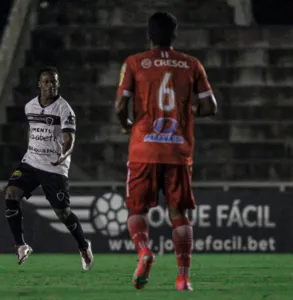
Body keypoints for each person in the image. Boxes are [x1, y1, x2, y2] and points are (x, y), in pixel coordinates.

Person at [114, 12, 218, 291]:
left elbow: (119, 107)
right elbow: (211, 107)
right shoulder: (191, 64)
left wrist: (126, 126)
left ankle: (144, 251)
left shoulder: (135, 63)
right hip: (178, 150)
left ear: (149, 34)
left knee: (137, 209)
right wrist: (190, 107)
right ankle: (183, 278)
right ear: (174, 35)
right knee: (179, 212)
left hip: (143, 148)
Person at [4, 66, 94, 271]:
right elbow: (32, 128)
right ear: (39, 84)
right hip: (31, 162)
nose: (50, 85)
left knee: (63, 213)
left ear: (58, 84)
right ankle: (20, 245)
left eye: (54, 81)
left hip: (54, 168)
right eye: (46, 81)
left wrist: (63, 154)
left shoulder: (64, 109)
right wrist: (30, 149)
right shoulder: (30, 107)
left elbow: (69, 138)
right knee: (11, 193)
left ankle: (83, 246)